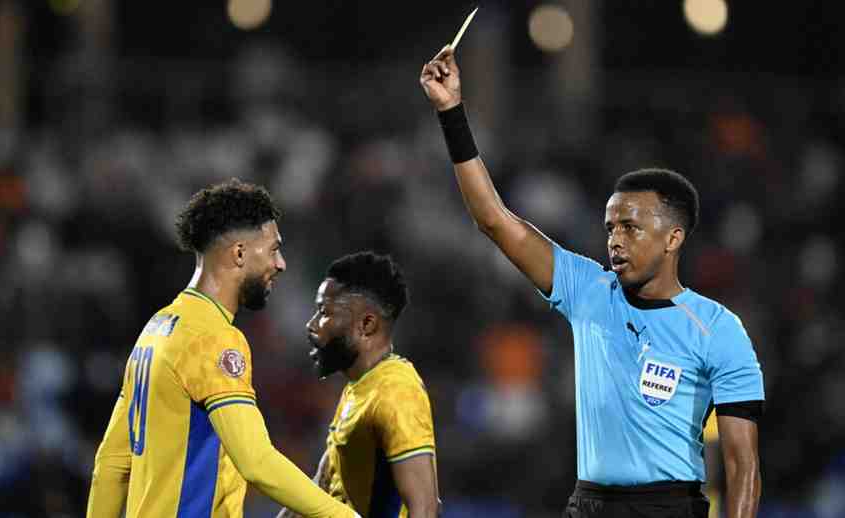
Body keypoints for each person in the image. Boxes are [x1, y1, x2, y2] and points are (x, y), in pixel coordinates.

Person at [420, 47, 764, 518]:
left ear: (673, 238)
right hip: (589, 504)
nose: (615, 241)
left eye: (631, 227)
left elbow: (743, 466)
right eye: (610, 228)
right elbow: (494, 220)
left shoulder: (718, 328)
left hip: (669, 508)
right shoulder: (588, 290)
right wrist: (451, 114)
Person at [87, 179, 357, 518]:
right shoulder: (212, 338)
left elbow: (110, 465)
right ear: (240, 253)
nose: (281, 264)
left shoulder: (156, 330)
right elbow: (256, 461)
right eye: (273, 249)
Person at [278, 251, 440, 518]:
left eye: (323, 312)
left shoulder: (397, 390)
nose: (311, 325)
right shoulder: (359, 388)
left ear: (366, 324)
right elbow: (320, 488)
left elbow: (424, 508)